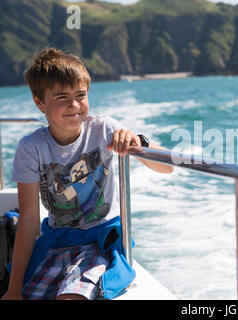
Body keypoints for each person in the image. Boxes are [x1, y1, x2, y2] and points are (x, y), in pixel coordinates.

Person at [1, 48, 173, 300]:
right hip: (57, 242)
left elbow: (167, 166)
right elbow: (28, 220)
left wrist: (138, 142)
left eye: (80, 95)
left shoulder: (104, 130)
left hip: (102, 243)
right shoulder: (31, 148)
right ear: (40, 103)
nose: (74, 105)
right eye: (62, 97)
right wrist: (14, 289)